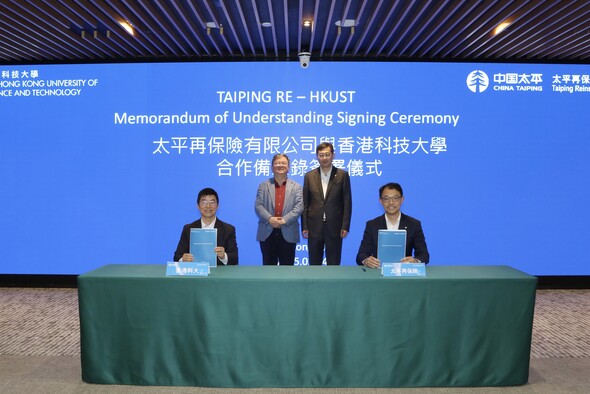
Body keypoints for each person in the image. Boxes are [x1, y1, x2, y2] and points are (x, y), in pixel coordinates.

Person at [356, 182, 429, 268]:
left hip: (404, 274)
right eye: (386, 198)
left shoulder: (414, 224)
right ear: (380, 201)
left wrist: (415, 261)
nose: (391, 202)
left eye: (395, 198)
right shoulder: (372, 225)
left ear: (402, 199)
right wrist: (367, 261)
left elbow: (424, 255)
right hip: (379, 273)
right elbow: (361, 255)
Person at [302, 142, 352, 265]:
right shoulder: (309, 176)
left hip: (335, 227)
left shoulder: (342, 175)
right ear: (317, 156)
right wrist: (305, 226)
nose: (324, 158)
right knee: (314, 263)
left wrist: (345, 226)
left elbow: (347, 202)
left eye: (327, 155)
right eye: (321, 155)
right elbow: (305, 204)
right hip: (314, 227)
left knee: (334, 263)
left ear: (333, 155)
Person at [255, 154, 303, 265]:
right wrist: (270, 218)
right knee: (268, 269)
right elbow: (258, 205)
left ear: (289, 167)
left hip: (288, 231)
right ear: (272, 167)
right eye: (277, 163)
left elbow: (299, 206)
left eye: (283, 163)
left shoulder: (297, 187)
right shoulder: (263, 186)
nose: (280, 165)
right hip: (267, 231)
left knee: (287, 270)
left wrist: (284, 220)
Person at [173, 187, 238, 265]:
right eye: (204, 202)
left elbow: (235, 258)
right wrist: (183, 259)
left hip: (220, 275)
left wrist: (224, 256)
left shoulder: (228, 229)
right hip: (195, 274)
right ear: (198, 206)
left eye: (212, 202)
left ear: (218, 206)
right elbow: (177, 257)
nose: (208, 206)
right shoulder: (189, 229)